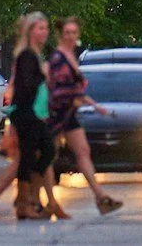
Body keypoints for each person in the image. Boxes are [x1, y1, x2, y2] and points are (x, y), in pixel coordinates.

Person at [48, 18, 121, 215]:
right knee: (46, 158)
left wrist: (95, 106)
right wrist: (77, 101)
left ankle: (100, 198)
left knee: (82, 152)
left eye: (74, 32)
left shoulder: (71, 57)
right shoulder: (58, 58)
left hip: (68, 114)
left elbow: (75, 90)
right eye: (67, 33)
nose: (71, 36)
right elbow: (57, 89)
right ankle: (38, 200)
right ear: (61, 35)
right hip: (56, 114)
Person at [0, 12, 59, 221]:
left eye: (46, 28)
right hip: (26, 113)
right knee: (31, 156)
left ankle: (29, 198)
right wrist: (44, 74)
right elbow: (27, 84)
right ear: (31, 31)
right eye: (40, 28)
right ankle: (26, 203)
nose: (44, 32)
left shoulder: (33, 54)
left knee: (44, 152)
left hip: (31, 113)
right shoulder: (27, 55)